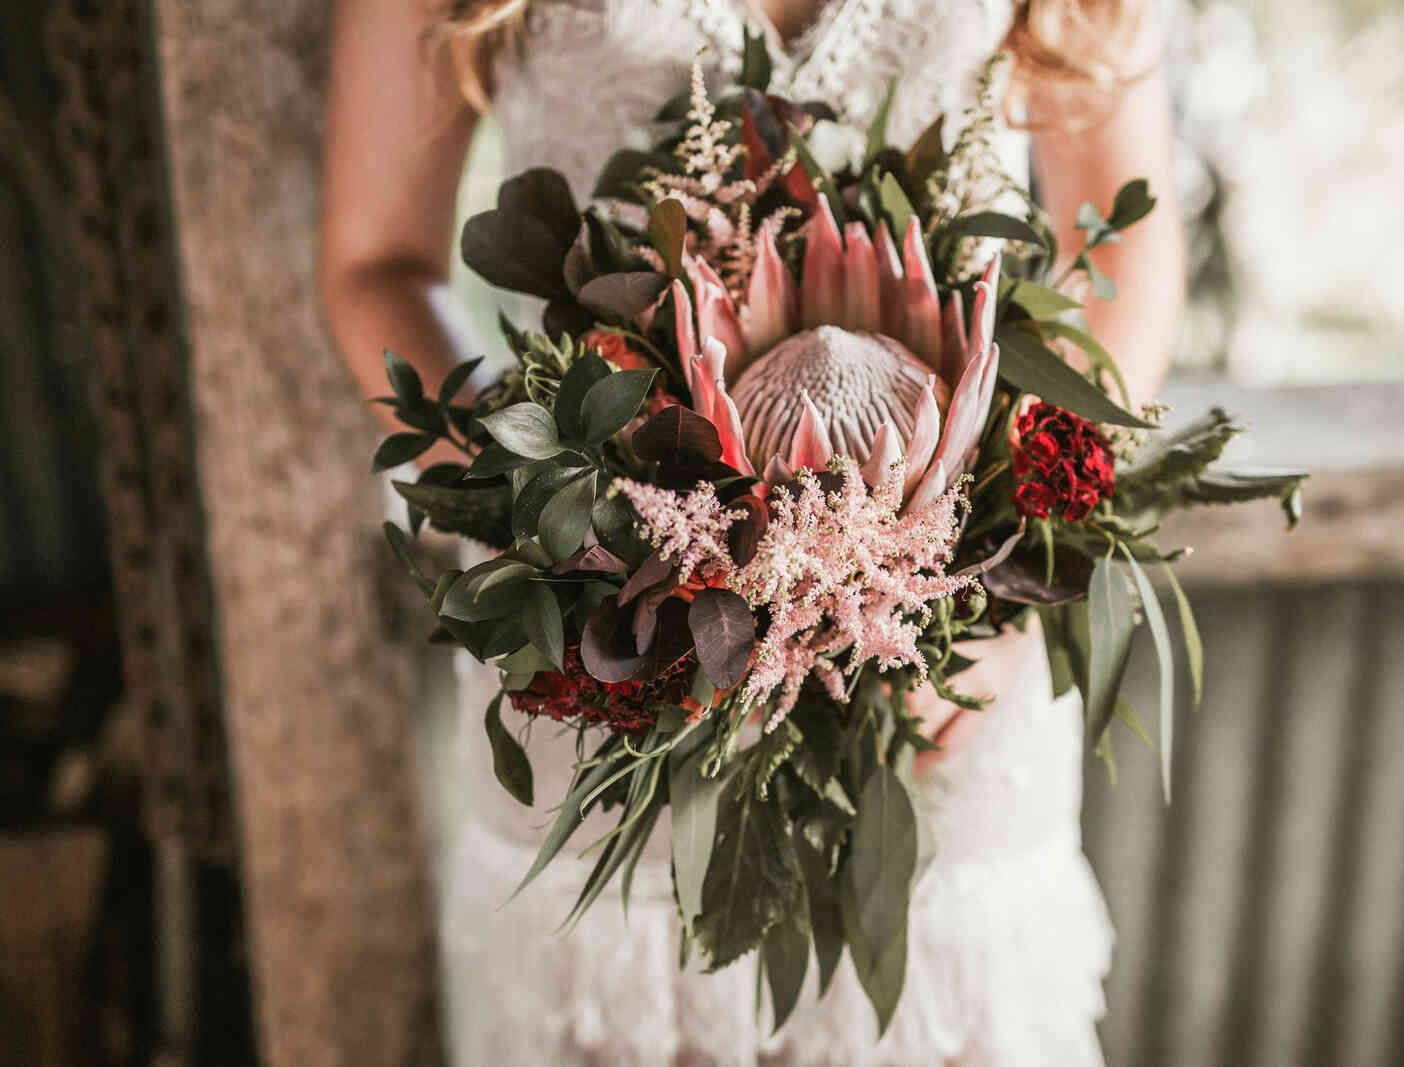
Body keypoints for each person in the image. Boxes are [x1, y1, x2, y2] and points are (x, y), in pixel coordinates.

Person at [319, 2, 1182, 1063]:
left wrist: (1003, 580)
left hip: (954, 658)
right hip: (611, 648)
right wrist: (557, 521)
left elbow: (1122, 244)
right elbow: (377, 261)